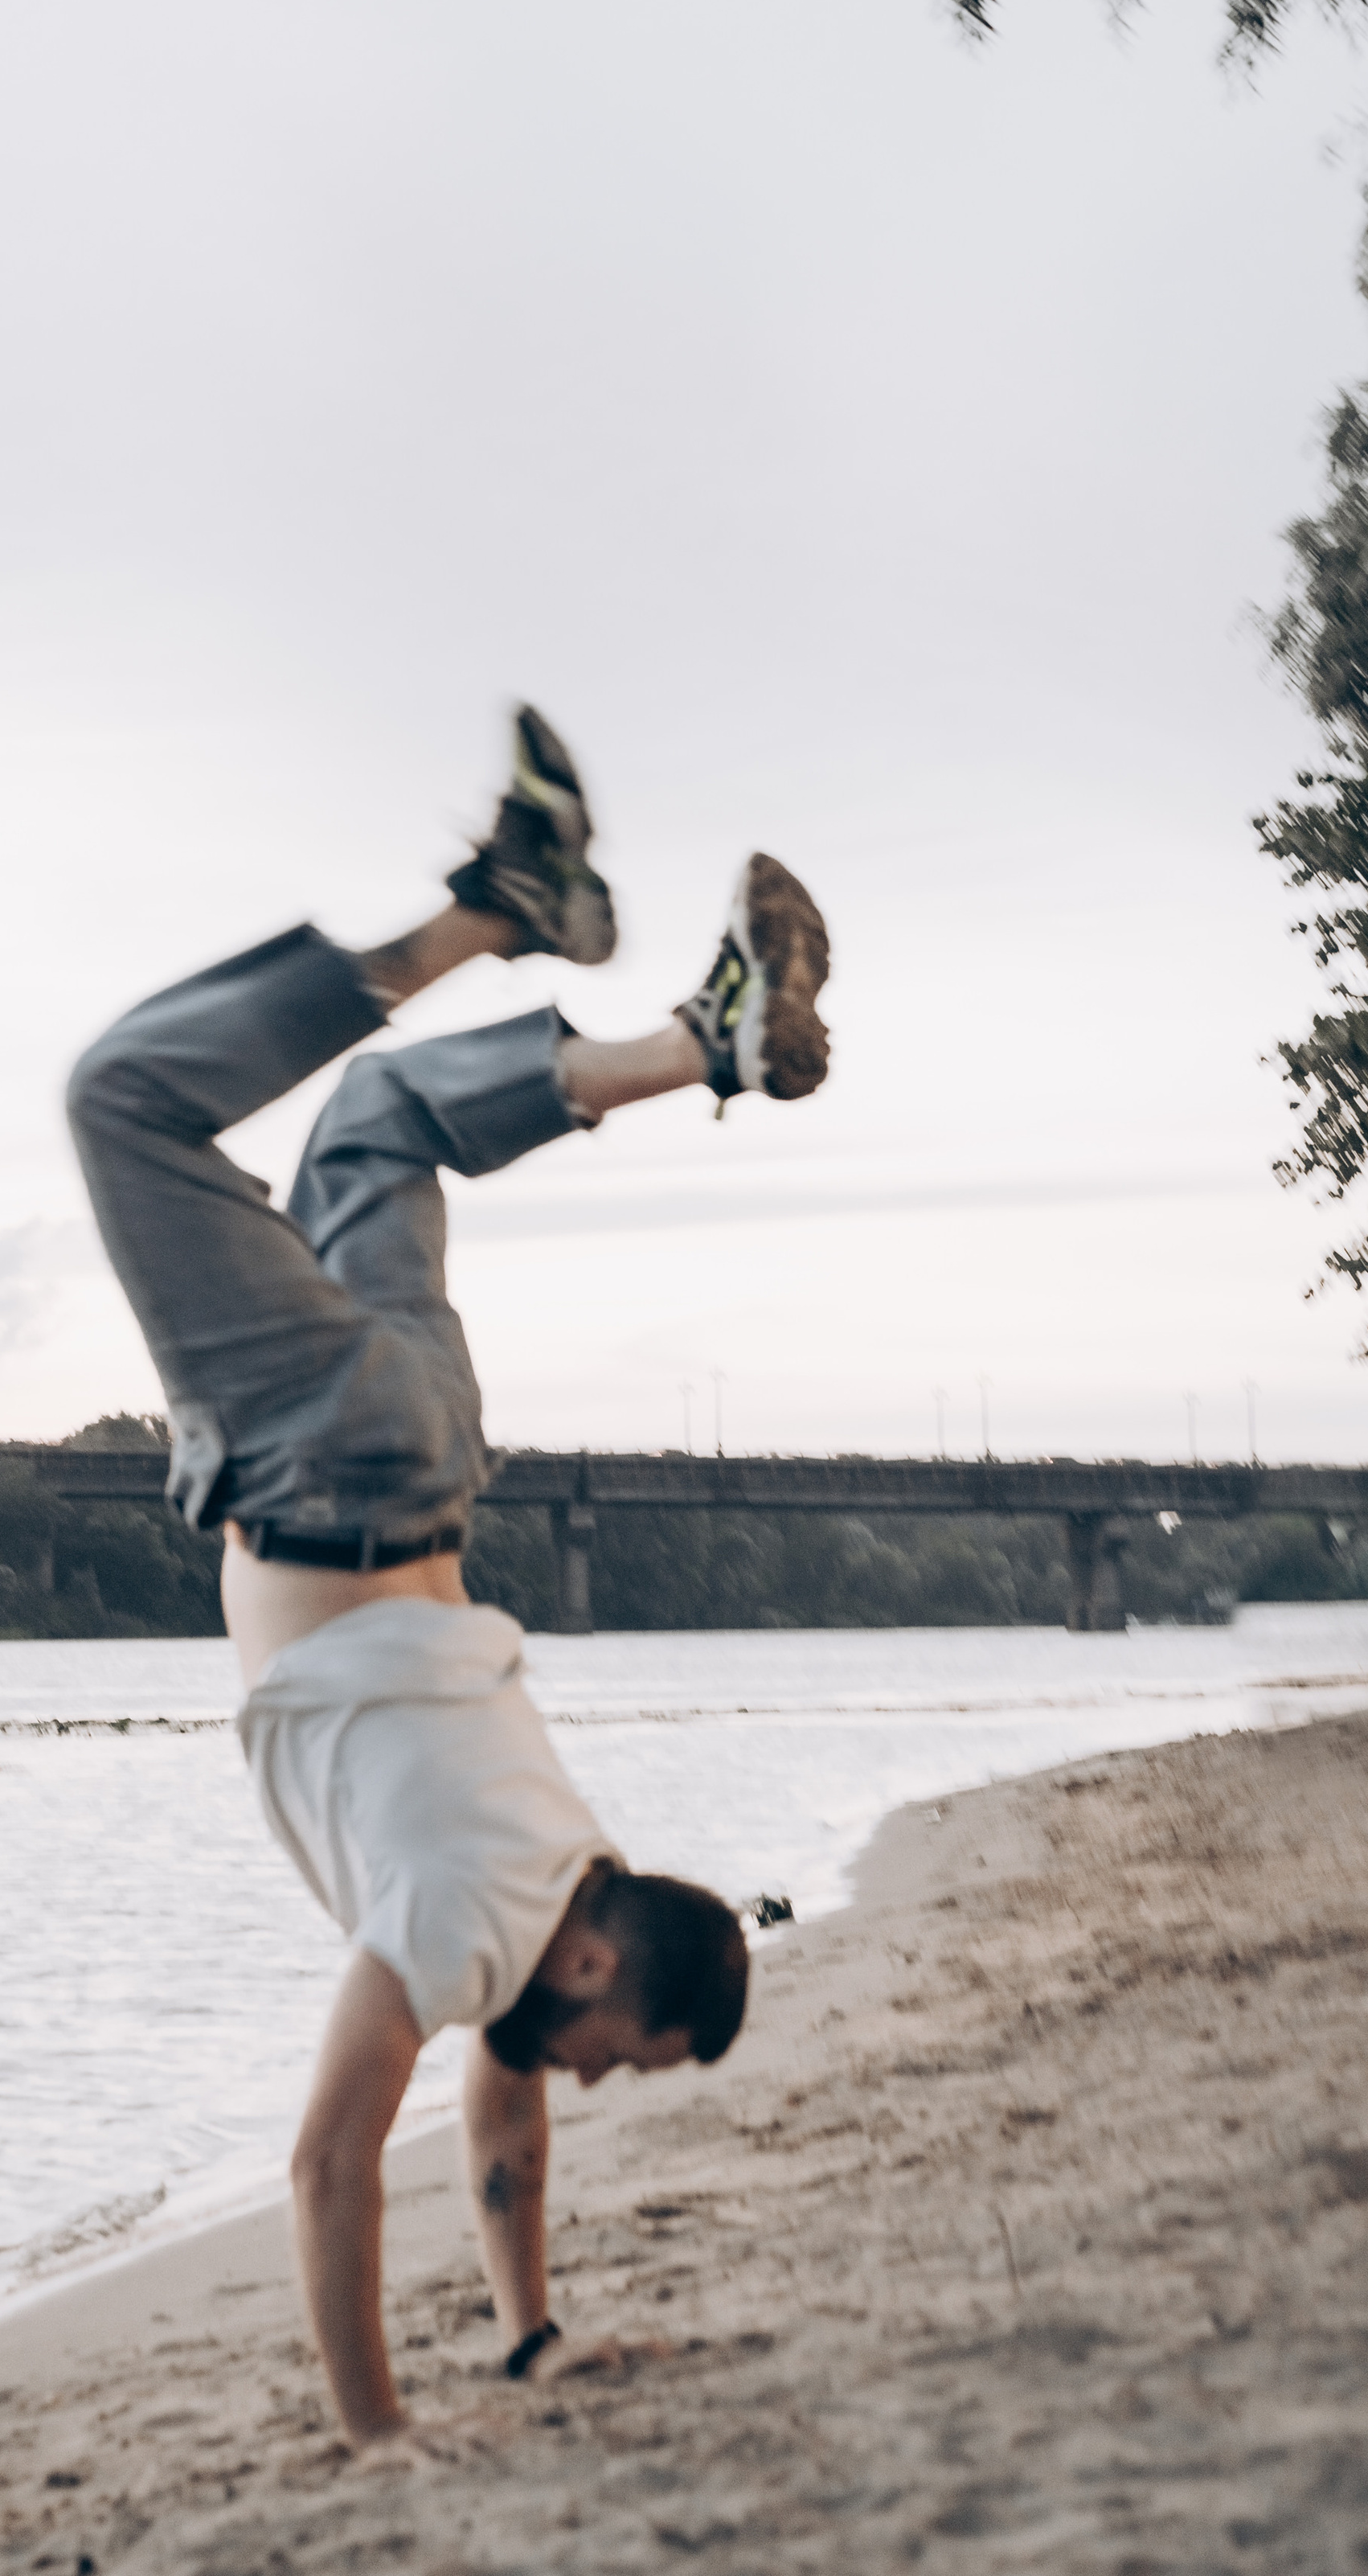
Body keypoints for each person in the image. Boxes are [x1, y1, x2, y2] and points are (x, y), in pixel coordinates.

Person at [64, 710, 830, 2448]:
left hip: (424, 1451)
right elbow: (330, 2160)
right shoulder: (463, 1934)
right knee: (120, 1107)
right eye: (620, 2055)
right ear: (588, 1978)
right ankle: (498, 902)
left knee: (371, 1117)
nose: (583, 2088)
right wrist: (372, 2440)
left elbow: (500, 2126)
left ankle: (683, 1035)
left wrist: (532, 2339)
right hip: (318, 1468)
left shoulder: (553, 1867)